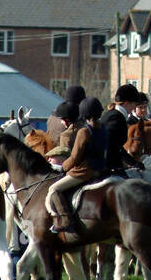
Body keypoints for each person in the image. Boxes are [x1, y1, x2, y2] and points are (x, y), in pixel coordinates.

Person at [47, 96, 110, 235]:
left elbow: (75, 157)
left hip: (84, 171)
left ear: (84, 113)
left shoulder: (84, 131)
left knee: (53, 188)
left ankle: (65, 220)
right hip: (100, 169)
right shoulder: (104, 128)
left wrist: (62, 167)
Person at [99, 85, 144, 173]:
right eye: (134, 104)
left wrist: (133, 163)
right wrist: (131, 163)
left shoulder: (113, 114)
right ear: (126, 103)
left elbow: (117, 147)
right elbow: (112, 147)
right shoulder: (116, 118)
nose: (135, 108)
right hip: (108, 166)